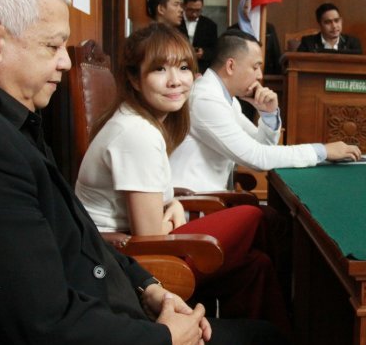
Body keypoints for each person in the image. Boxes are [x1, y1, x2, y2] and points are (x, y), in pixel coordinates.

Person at [0, 0, 284, 345]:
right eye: (52, 46)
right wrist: (166, 338)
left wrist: (149, 288)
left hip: (116, 307)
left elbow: (80, 233)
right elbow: (44, 325)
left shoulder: (5, 118)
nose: (65, 63)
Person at [75, 24, 291, 336]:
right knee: (256, 216)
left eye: (184, 68)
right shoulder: (136, 132)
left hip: (139, 245)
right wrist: (171, 212)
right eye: (160, 69)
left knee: (257, 266)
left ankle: (280, 335)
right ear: (135, 79)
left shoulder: (144, 122)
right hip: (127, 260)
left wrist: (173, 204)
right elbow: (149, 236)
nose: (176, 80)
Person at [169, 30, 362, 193]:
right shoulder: (205, 99)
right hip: (192, 208)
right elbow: (257, 157)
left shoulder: (225, 97)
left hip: (211, 199)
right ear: (230, 66)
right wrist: (322, 151)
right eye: (255, 67)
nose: (260, 75)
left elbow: (261, 146)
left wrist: (268, 114)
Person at [177, 0, 219, 73]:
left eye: (198, 10)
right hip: (179, 65)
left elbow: (214, 49)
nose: (194, 14)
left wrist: (203, 53)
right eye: (191, 10)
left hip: (201, 68)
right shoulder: (176, 23)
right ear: (184, 6)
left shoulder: (210, 25)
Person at [296, 3, 362, 54]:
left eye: (336, 20)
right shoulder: (308, 43)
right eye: (328, 22)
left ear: (341, 21)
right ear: (320, 24)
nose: (334, 26)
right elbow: (295, 65)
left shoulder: (352, 43)